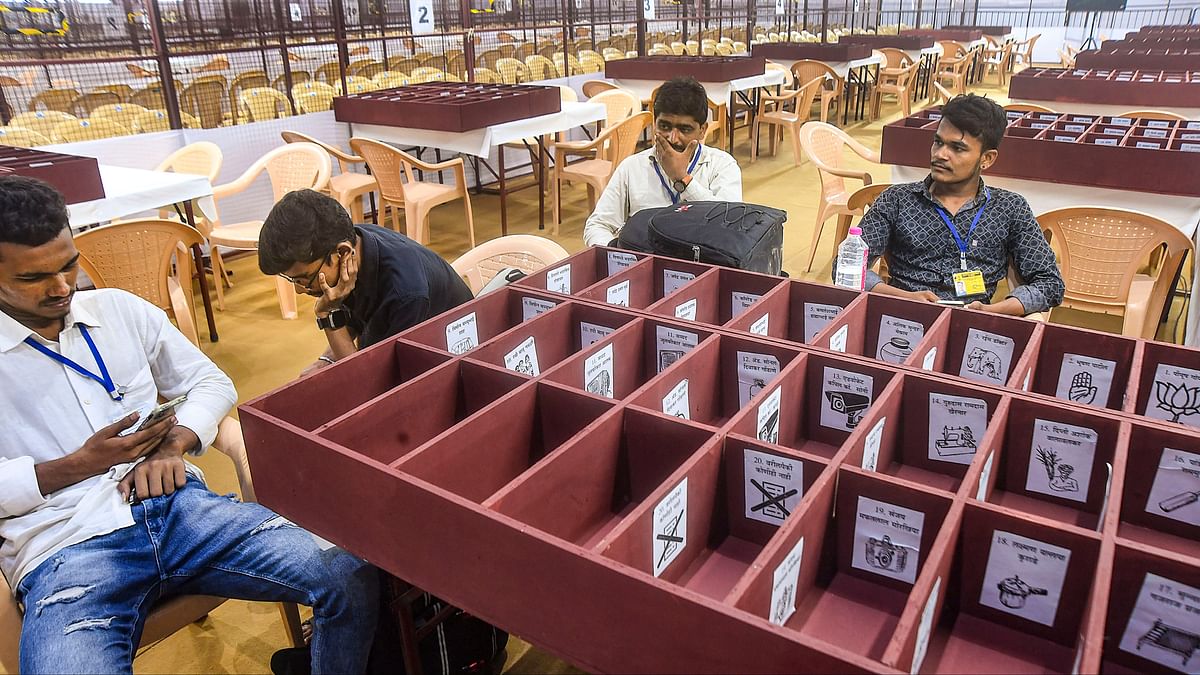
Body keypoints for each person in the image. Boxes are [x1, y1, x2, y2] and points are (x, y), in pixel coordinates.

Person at [0, 176, 378, 674]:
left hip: (183, 511)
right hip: (66, 549)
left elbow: (213, 383)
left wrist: (174, 443)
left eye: (69, 264)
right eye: (34, 278)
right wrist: (76, 467)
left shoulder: (118, 311)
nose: (63, 286)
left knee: (353, 570)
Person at [856, 93, 1064, 316]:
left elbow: (1050, 283)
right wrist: (904, 297)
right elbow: (847, 264)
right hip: (902, 317)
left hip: (974, 323)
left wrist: (994, 311)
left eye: (957, 148)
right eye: (938, 142)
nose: (940, 155)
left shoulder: (1010, 209)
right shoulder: (897, 200)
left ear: (987, 158)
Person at [258, 189, 473, 364]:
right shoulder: (354, 242)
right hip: (400, 350)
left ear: (341, 253)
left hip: (451, 358)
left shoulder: (404, 293)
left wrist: (326, 312)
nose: (299, 289)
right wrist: (324, 361)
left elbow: (368, 380)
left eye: (304, 278)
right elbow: (355, 320)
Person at [582, 76, 743, 247]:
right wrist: (618, 255)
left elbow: (730, 229)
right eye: (664, 127)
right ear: (654, 123)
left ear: (702, 130)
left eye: (684, 129)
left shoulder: (722, 165)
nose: (673, 139)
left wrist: (682, 179)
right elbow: (597, 225)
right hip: (643, 263)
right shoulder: (631, 167)